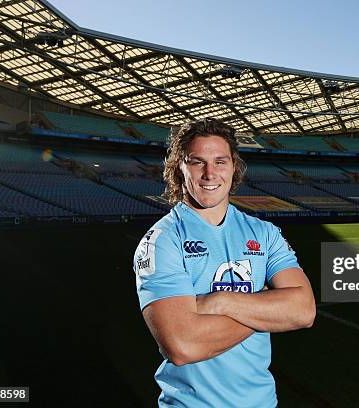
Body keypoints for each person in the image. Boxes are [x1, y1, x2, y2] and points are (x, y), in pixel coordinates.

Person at [133, 118, 316, 408]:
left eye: (220, 161)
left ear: (234, 168)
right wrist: (268, 309)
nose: (210, 173)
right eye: (197, 162)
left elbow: (304, 310)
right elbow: (183, 345)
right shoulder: (163, 239)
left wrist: (221, 301)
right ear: (180, 167)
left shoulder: (263, 233)